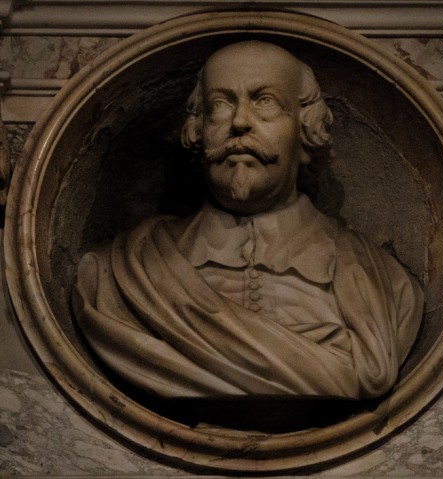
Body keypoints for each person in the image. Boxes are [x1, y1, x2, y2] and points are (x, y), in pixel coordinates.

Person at [73, 41, 423, 399]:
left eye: (265, 102)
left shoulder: (385, 286)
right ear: (199, 129)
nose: (240, 122)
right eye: (220, 105)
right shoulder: (122, 272)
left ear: (306, 131)